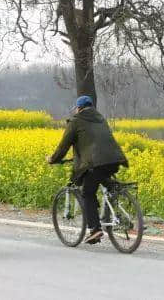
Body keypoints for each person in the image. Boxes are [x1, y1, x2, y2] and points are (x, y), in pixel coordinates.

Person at [47, 95, 129, 244]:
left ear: (79, 108)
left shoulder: (76, 122)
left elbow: (63, 146)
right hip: (114, 160)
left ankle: (95, 229)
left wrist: (53, 159)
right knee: (102, 179)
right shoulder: (101, 119)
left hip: (95, 163)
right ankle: (114, 208)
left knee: (87, 193)